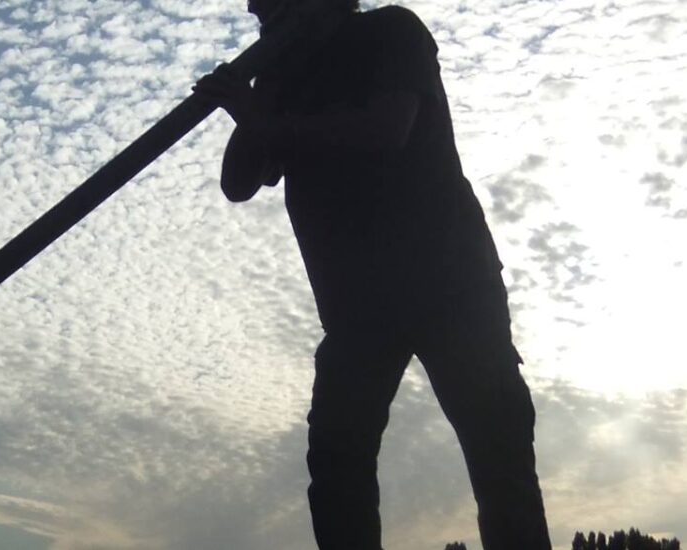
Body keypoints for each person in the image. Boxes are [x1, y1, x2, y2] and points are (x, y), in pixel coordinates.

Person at [191, 1, 553, 549]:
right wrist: (259, 97)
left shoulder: (390, 32)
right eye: (258, 13)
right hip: (357, 310)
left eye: (271, 6)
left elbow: (385, 130)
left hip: (450, 286)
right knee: (337, 463)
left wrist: (264, 117)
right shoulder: (286, 76)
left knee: (499, 459)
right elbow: (239, 182)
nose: (258, 12)